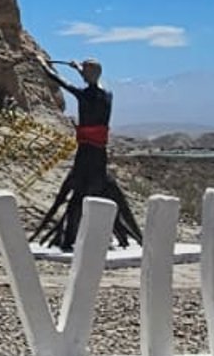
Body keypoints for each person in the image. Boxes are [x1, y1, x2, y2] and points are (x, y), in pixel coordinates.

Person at [37, 56, 143, 254]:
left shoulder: (83, 95)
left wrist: (42, 64)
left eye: (84, 72)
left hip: (85, 155)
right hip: (100, 155)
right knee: (99, 189)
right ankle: (122, 234)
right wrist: (79, 68)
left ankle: (68, 240)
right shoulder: (108, 95)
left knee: (78, 197)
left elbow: (59, 80)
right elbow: (95, 81)